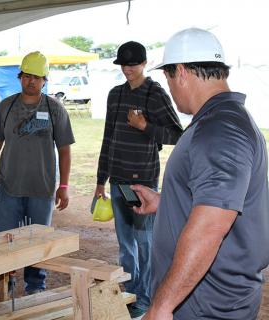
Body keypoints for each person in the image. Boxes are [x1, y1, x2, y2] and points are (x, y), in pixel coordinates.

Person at [131, 28, 269, 320]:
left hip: (206, 304)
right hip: (209, 300)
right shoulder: (223, 121)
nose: (169, 87)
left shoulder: (221, 129)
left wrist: (162, 305)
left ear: (180, 72)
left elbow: (210, 227)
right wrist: (167, 202)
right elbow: (218, 198)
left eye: (168, 78)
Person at [94, 41, 183, 318]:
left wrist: (145, 126)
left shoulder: (154, 94)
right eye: (124, 64)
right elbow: (108, 137)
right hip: (117, 181)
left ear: (144, 63)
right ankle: (132, 293)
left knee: (144, 244)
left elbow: (177, 135)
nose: (128, 69)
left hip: (141, 183)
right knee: (125, 245)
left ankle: (145, 300)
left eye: (133, 64)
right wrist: (100, 180)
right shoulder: (115, 94)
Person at [0, 51, 75, 294]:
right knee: (6, 243)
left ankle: (35, 290)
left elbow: (64, 149)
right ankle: (4, 288)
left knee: (37, 244)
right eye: (27, 76)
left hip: (41, 190)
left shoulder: (55, 109)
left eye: (37, 77)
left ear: (45, 80)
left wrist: (63, 186)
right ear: (20, 77)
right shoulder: (6, 107)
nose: (31, 81)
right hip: (9, 187)